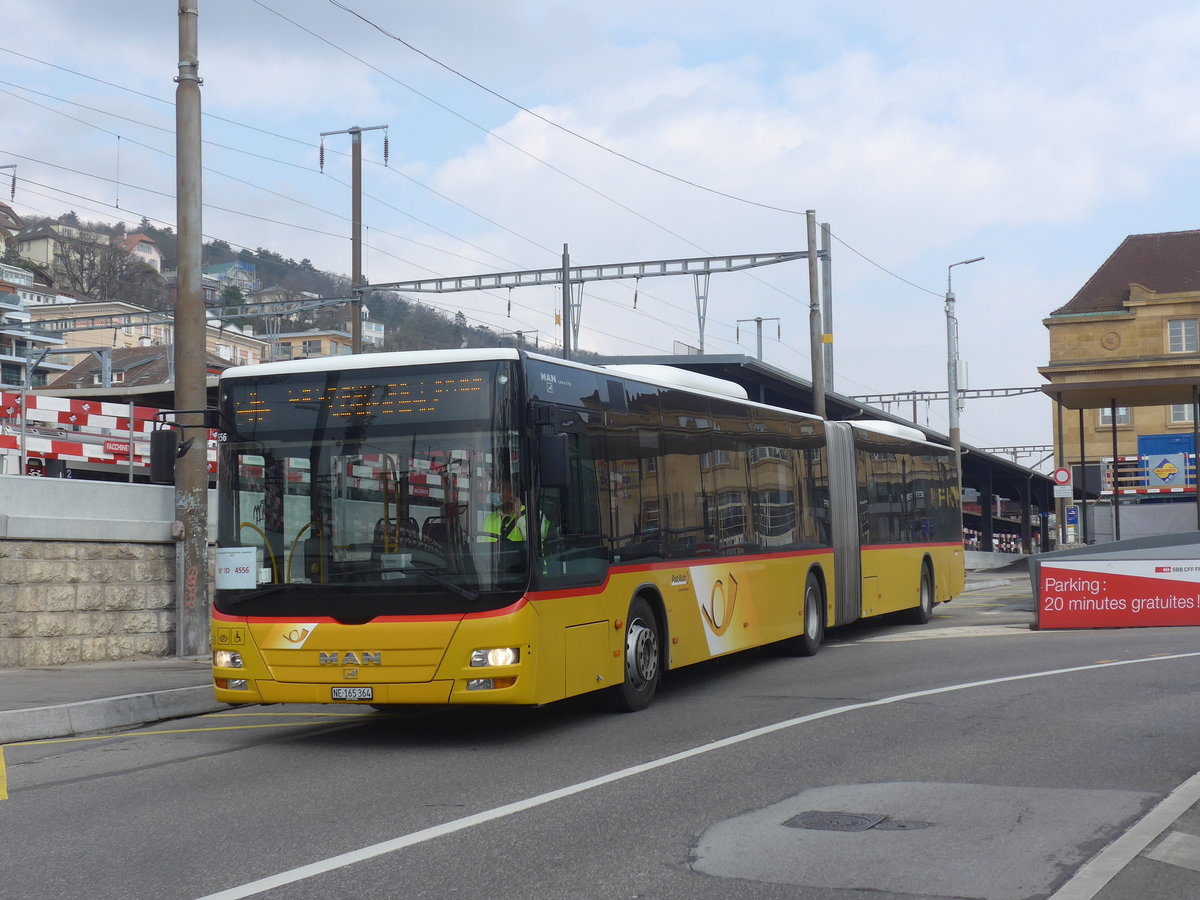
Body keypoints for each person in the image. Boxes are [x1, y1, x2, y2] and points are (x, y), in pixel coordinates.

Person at [481, 475, 549, 543]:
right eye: (492, 490)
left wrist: (519, 515)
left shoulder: (534, 514)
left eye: (497, 490)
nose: (493, 494)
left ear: (511, 492)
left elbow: (534, 542)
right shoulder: (488, 519)